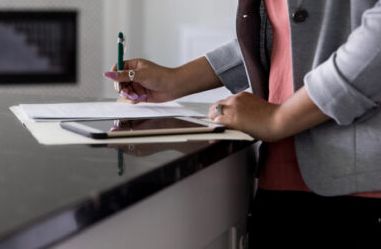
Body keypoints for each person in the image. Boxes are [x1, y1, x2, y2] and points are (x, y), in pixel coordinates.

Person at [105, 0, 381, 246]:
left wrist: (280, 118)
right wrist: (177, 80)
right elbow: (284, 32)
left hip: (361, 184)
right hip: (281, 179)